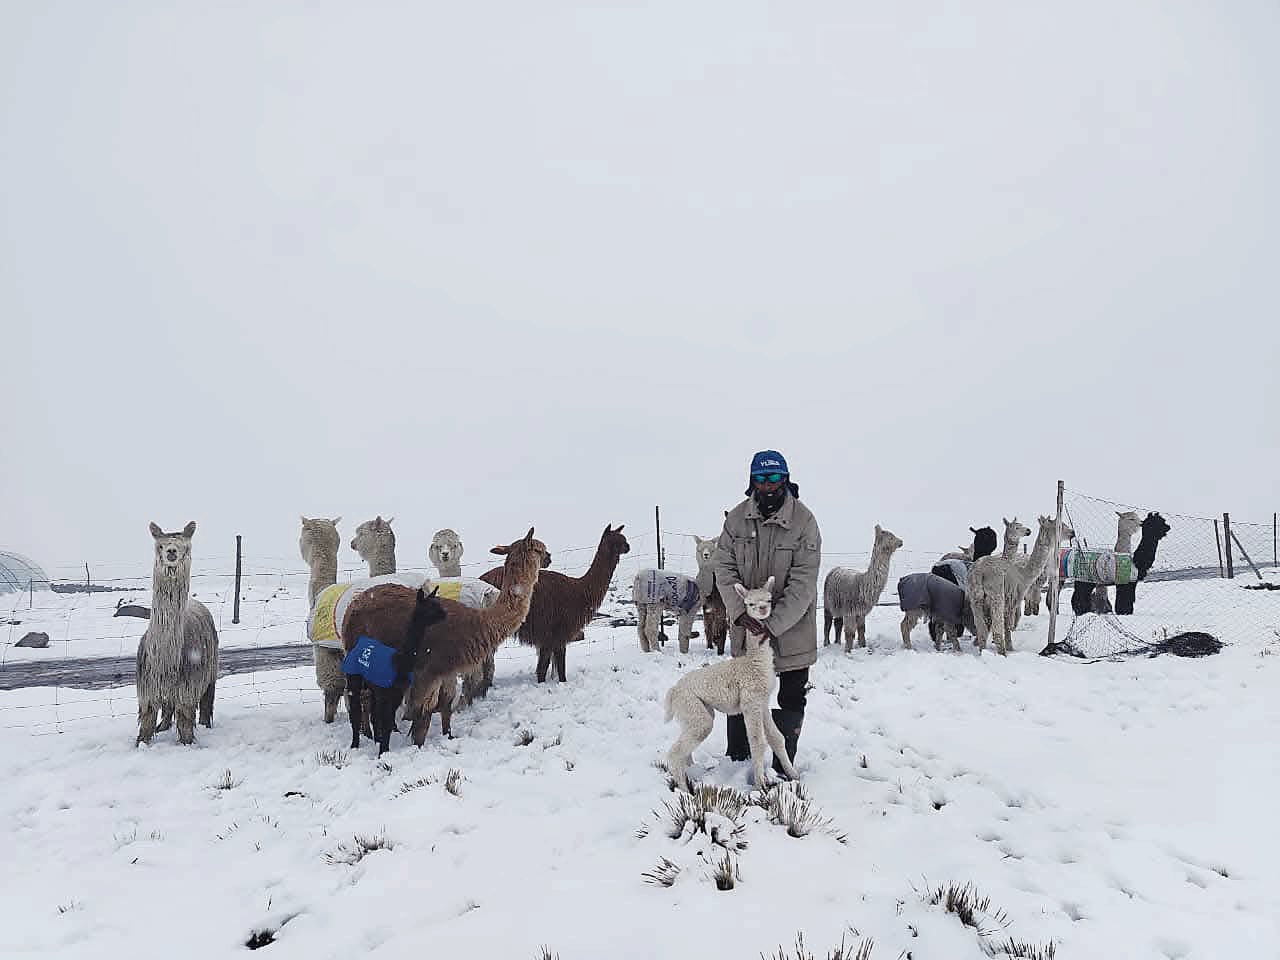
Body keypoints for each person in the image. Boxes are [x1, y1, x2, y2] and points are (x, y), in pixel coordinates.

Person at [714, 450, 821, 774]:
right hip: (746, 629)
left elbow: (803, 583)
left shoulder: (804, 522)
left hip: (792, 632)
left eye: (774, 478)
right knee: (740, 691)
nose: (768, 485)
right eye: (761, 478)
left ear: (786, 479)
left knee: (791, 695)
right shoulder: (735, 520)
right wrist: (739, 613)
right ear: (752, 481)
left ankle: (781, 764)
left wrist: (771, 625)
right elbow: (723, 567)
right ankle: (738, 761)